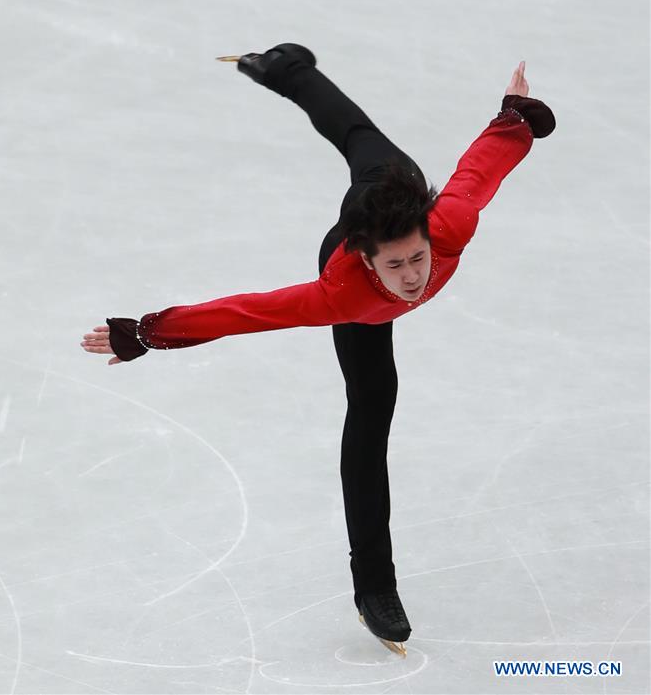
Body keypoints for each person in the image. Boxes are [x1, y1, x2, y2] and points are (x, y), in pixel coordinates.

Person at [79, 43, 556, 655]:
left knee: (363, 138)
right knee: (372, 407)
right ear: (368, 258)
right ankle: (374, 588)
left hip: (394, 190)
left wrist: (514, 119)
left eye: (418, 258)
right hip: (355, 268)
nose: (413, 275)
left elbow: (479, 172)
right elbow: (241, 313)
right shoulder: (340, 293)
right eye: (398, 265)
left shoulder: (447, 225)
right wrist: (150, 331)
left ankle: (285, 65)